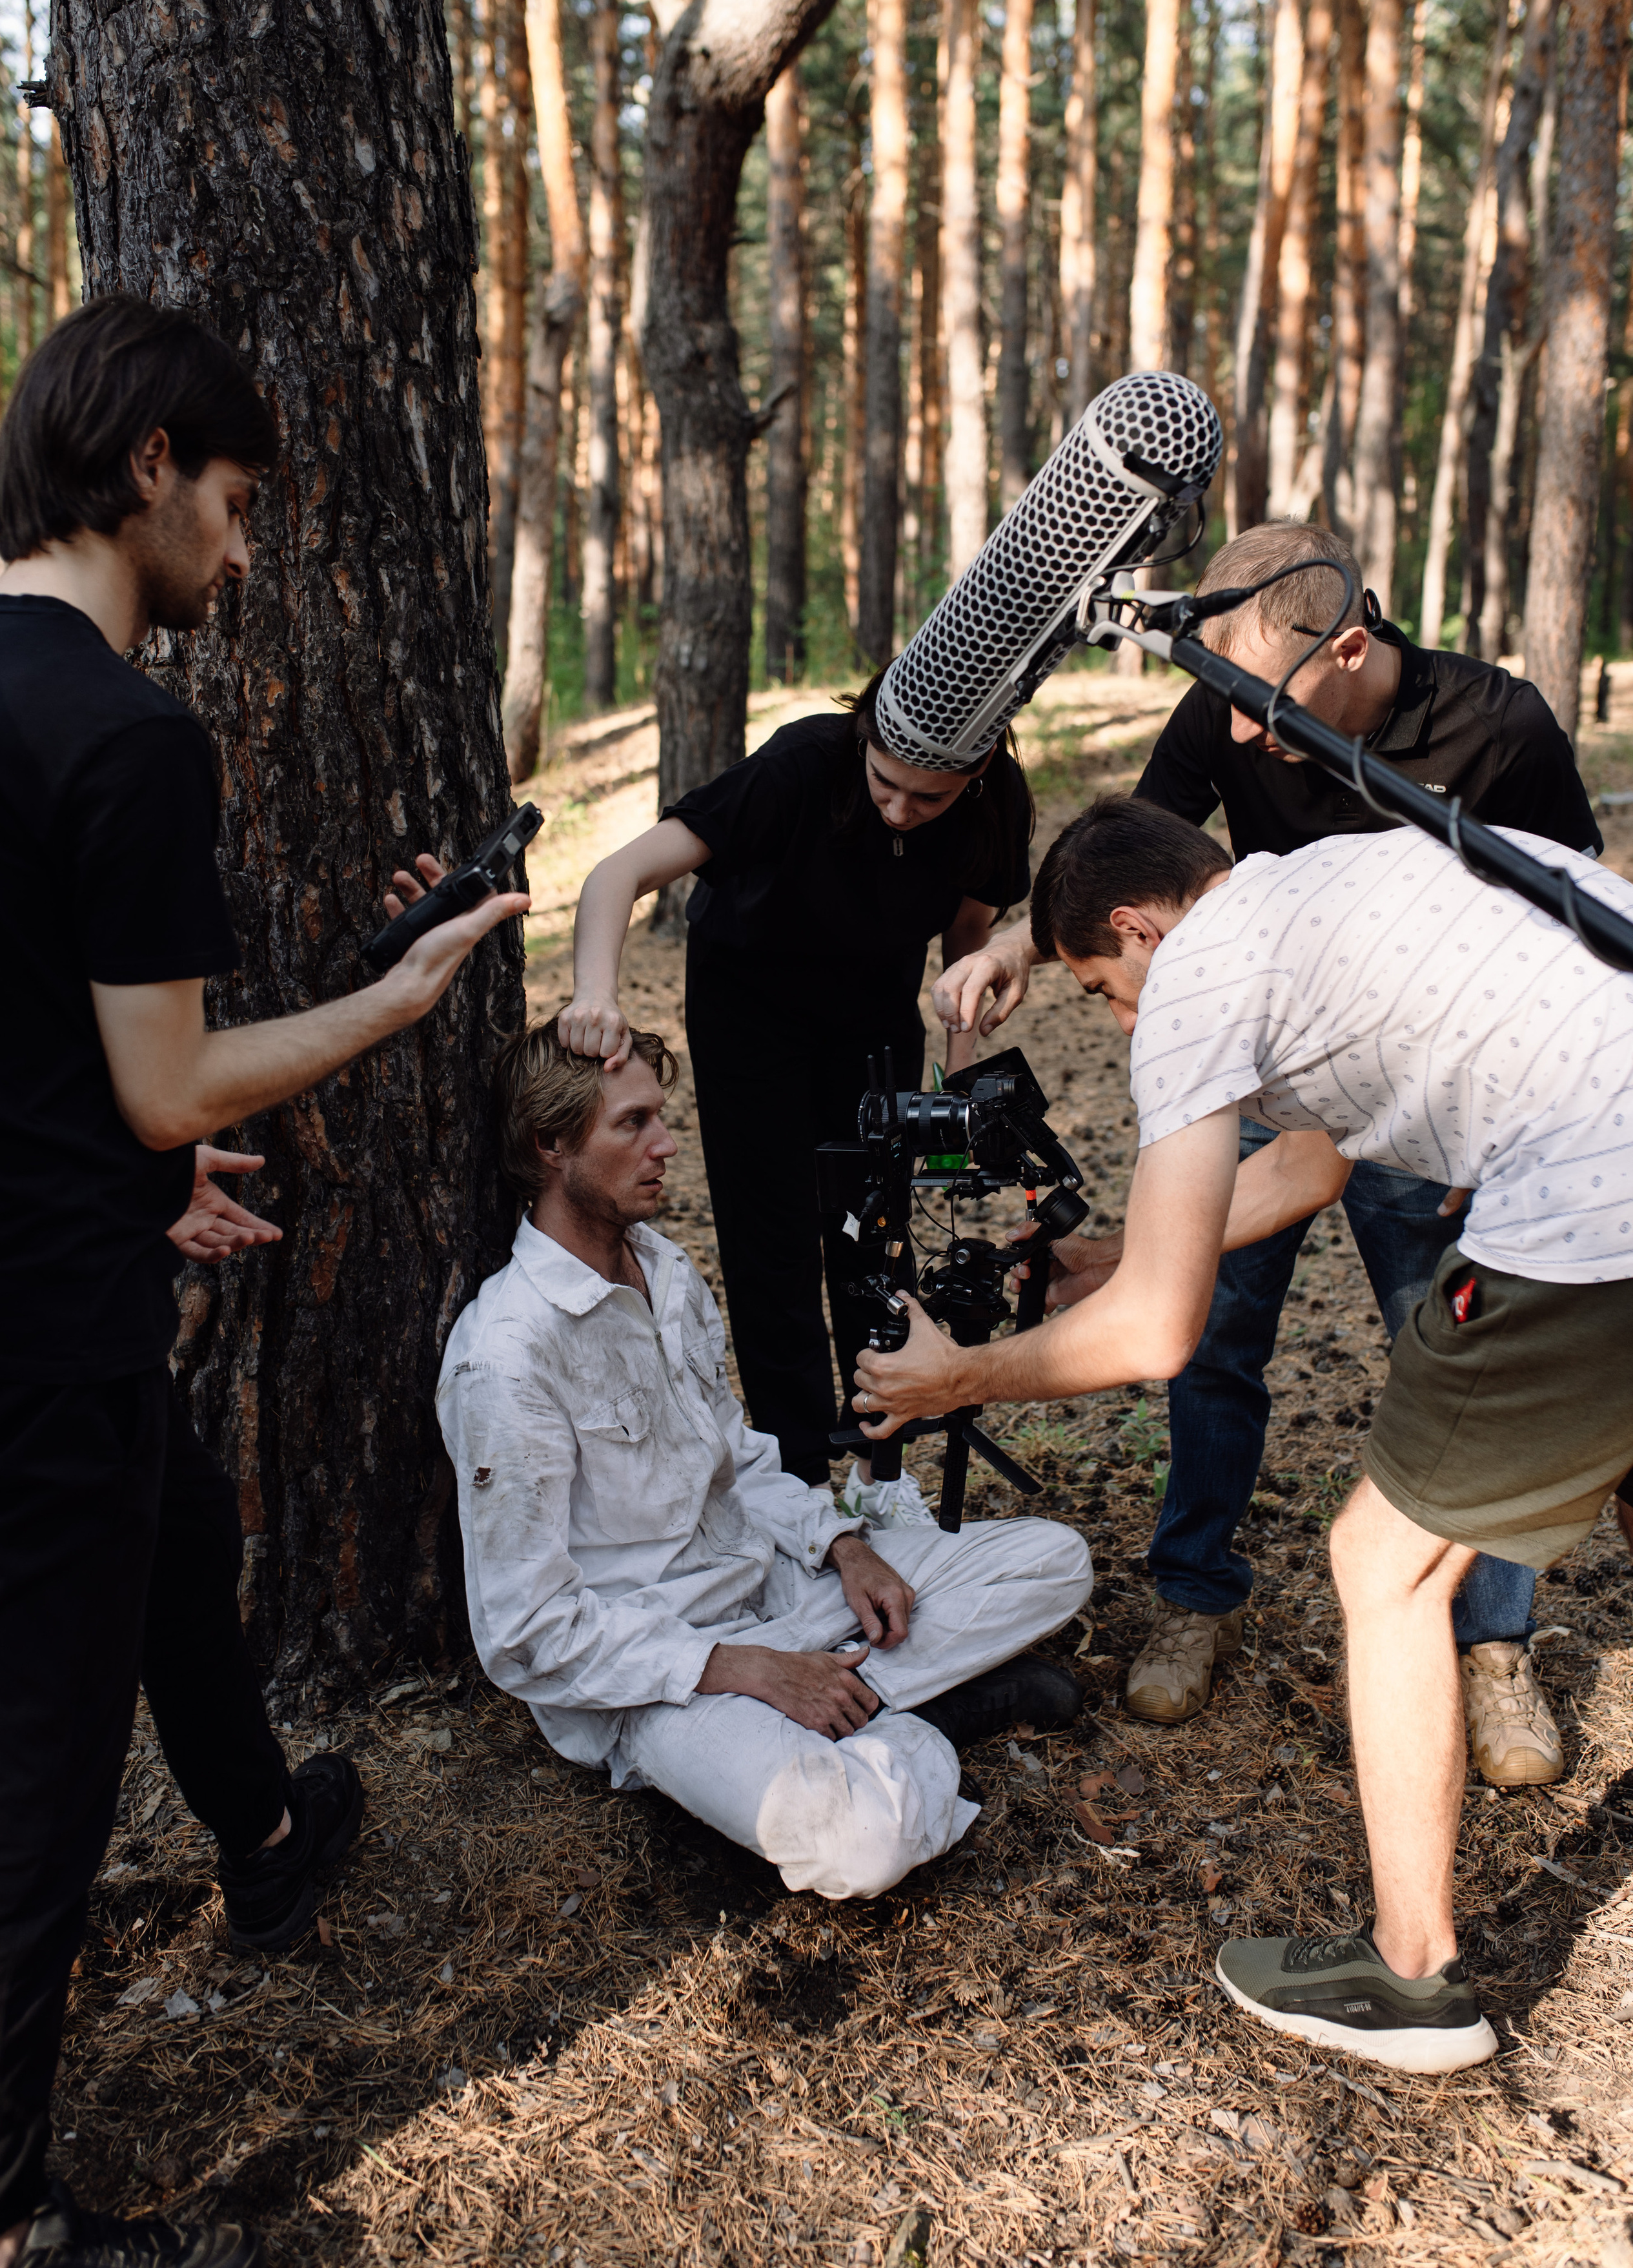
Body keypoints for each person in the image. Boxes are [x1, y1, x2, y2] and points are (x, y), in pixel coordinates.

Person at [0, 299, 530, 2268]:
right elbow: (162, 1070)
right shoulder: (128, 733)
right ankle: (5, 2214)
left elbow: (49, 1043)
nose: (243, 544)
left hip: (55, 1258)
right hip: (37, 1335)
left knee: (182, 1536)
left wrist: (122, 1167)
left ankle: (271, 1843)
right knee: (35, 1767)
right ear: (146, 471)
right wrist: (390, 999)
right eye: (233, 500)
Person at [856, 796, 1633, 2072]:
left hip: (1590, 1198)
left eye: (1106, 992)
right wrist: (1119, 1254)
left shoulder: (1198, 978)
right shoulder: (1323, 893)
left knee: (1384, 1564)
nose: (1120, 1025)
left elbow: (1158, 1340)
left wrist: (959, 1380)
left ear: (1138, 927)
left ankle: (1411, 1978)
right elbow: (1306, 1168)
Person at [934, 523, 1598, 1786]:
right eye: (1223, 710)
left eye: (1259, 710)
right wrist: (1014, 952)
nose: (1237, 735)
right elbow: (1131, 854)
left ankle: (1489, 1641)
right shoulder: (1228, 694)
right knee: (1212, 1322)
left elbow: (1562, 900)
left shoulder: (1494, 727)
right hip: (1250, 1062)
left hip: (1425, 1081)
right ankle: (1195, 1594)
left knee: (1445, 1341)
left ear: (1347, 647)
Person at [436, 1018, 1093, 1900]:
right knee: (858, 1845)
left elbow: (736, 1460)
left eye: (661, 1117)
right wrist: (748, 1669)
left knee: (1054, 1562)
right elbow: (523, 1633)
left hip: (783, 1592)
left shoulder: (662, 1270)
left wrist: (844, 1548)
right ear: (550, 1145)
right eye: (632, 1125)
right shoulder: (508, 1354)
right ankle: (913, 1724)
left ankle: (846, 1704)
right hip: (668, 1675)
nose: (667, 1145)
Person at [555, 670, 1033, 1524]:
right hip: (750, 1003)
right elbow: (617, 874)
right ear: (862, 742)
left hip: (875, 1011)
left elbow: (968, 937)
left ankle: (882, 1469)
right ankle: (800, 1478)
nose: (896, 811)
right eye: (884, 783)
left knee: (874, 1236)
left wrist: (957, 1077)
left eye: (927, 799)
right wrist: (596, 991)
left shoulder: (997, 801)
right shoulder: (802, 765)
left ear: (980, 768)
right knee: (770, 1231)